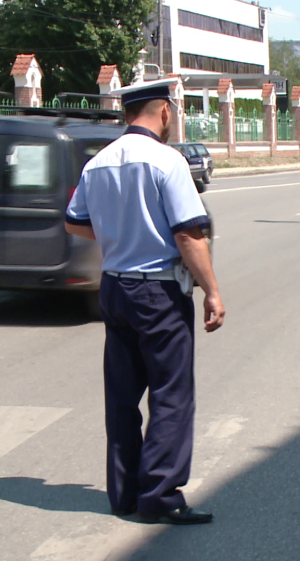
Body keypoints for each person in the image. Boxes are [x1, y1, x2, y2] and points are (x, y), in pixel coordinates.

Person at [65, 78, 226, 524]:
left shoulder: (98, 163)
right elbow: (188, 234)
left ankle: (124, 495)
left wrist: (119, 232)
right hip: (158, 292)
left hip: (115, 287)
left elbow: (75, 222)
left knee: (121, 396)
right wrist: (212, 290)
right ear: (165, 112)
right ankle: (159, 496)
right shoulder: (166, 161)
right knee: (171, 395)